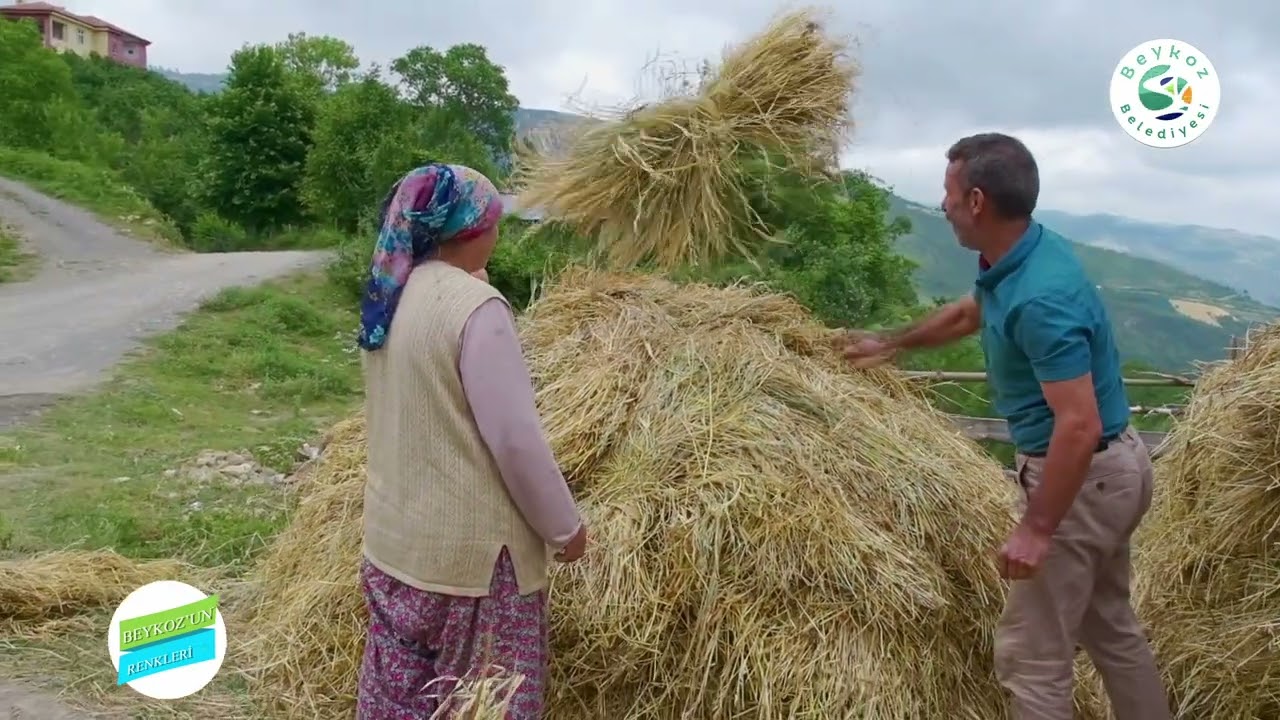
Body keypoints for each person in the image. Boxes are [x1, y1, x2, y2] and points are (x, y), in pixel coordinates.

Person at [841, 133, 1170, 720]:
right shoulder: (1022, 254)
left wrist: (1038, 527)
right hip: (1115, 471)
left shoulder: (1041, 298)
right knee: (1112, 631)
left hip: (1082, 479)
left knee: (1033, 660)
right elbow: (971, 311)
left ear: (975, 201)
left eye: (947, 192)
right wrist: (892, 344)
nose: (940, 204)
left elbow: (1075, 422)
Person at [354, 162, 587, 719]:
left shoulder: (387, 296)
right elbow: (514, 440)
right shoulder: (479, 312)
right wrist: (566, 530)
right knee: (482, 707)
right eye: (494, 223)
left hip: (392, 551)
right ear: (469, 230)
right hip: (472, 569)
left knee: (397, 705)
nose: (498, 233)